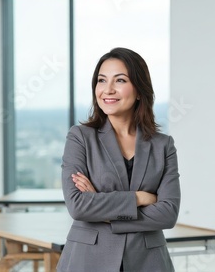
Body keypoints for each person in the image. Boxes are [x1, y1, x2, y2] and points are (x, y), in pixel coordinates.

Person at [57, 47, 181, 272]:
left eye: (120, 80)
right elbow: (78, 206)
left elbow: (168, 214)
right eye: (101, 80)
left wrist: (102, 207)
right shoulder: (80, 138)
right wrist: (138, 198)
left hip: (148, 263)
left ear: (140, 90)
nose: (108, 90)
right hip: (88, 260)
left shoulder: (163, 145)